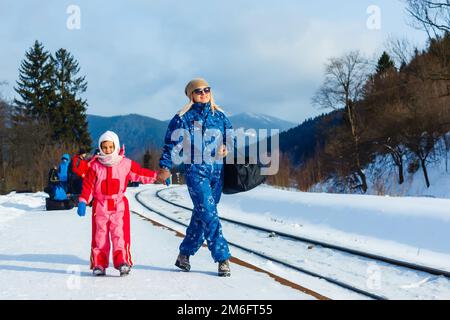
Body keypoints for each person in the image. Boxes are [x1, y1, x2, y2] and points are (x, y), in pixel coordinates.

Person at [158, 78, 233, 277]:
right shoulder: (182, 118)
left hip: (217, 173)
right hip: (196, 172)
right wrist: (165, 166)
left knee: (202, 216)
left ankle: (184, 254)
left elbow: (230, 137)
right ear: (191, 95)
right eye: (198, 91)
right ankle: (222, 258)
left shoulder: (220, 115)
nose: (203, 93)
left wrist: (227, 147)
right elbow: (170, 145)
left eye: (206, 90)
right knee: (209, 214)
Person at [77, 130, 161, 276]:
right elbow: (88, 185)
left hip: (119, 206)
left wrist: (156, 176)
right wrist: (83, 201)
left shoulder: (125, 164)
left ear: (115, 146)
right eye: (104, 147)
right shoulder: (95, 166)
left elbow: (140, 173)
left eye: (110, 147)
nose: (108, 150)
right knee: (100, 236)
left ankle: (122, 261)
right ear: (100, 148)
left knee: (119, 235)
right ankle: (99, 263)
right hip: (100, 206)